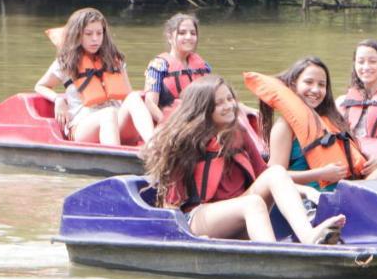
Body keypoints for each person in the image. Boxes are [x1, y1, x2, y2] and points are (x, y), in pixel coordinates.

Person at [141, 77, 346, 244]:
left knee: (275, 173)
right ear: (203, 108)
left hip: (240, 212)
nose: (229, 106)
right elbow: (170, 202)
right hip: (197, 218)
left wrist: (307, 191)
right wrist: (184, 238)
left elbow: (265, 175)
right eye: (219, 103)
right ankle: (273, 256)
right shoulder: (186, 142)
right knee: (253, 203)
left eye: (230, 99)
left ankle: (309, 236)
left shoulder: (238, 134)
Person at [256, 56, 377, 191]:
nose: (316, 90)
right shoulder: (284, 127)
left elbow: (348, 153)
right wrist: (320, 174)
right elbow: (273, 176)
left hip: (347, 188)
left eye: (321, 84)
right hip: (317, 198)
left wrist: (370, 161)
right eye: (309, 82)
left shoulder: (331, 119)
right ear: (293, 85)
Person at [32, 7, 155, 146]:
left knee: (133, 98)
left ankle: (153, 146)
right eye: (88, 34)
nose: (95, 39)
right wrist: (58, 99)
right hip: (83, 127)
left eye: (99, 33)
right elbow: (40, 86)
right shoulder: (66, 62)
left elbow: (127, 95)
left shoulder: (115, 60)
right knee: (108, 114)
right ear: (77, 35)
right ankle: (115, 159)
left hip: (118, 123)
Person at [143, 12, 212, 124]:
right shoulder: (158, 66)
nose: (189, 37)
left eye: (193, 33)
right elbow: (150, 103)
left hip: (199, 121)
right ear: (170, 37)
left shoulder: (204, 67)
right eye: (182, 33)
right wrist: (167, 124)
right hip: (171, 123)